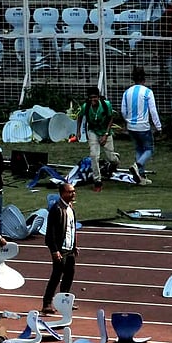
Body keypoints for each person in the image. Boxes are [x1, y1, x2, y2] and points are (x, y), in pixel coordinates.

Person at [121, 67, 162, 184]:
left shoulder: (127, 92)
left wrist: (128, 121)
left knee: (139, 148)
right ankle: (138, 165)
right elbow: (153, 111)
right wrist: (158, 127)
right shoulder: (148, 92)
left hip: (131, 127)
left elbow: (123, 111)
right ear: (144, 79)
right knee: (149, 149)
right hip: (143, 126)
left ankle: (141, 176)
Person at [41, 183, 77, 316]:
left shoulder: (70, 208)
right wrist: (54, 250)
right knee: (56, 276)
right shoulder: (56, 209)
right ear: (62, 193)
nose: (73, 194)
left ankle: (64, 301)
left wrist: (74, 245)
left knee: (69, 275)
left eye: (74, 191)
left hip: (69, 249)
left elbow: (71, 228)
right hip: (60, 249)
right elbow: (50, 233)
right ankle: (47, 303)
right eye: (70, 192)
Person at [82, 88, 124, 182]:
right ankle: (97, 180)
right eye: (91, 98)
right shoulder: (86, 106)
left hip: (105, 130)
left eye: (95, 97)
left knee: (111, 158)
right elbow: (81, 117)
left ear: (98, 97)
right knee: (94, 155)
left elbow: (111, 119)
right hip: (93, 131)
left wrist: (105, 134)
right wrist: (79, 132)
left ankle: (115, 158)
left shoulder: (106, 104)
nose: (93, 100)